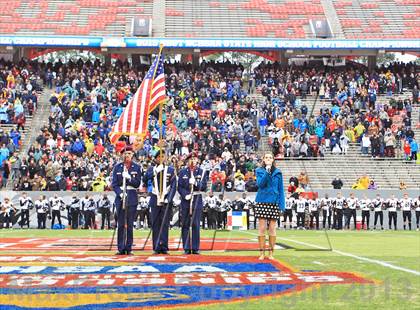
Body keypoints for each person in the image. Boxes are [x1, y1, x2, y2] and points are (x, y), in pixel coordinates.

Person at [111, 145, 142, 255]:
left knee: (129, 224)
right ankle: (120, 248)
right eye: (125, 153)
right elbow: (114, 184)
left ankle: (128, 248)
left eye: (129, 153)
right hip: (120, 198)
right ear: (122, 155)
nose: (127, 155)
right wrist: (120, 194)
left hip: (132, 196)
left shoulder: (136, 167)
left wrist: (129, 177)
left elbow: (137, 183)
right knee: (120, 224)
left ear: (132, 155)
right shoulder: (117, 167)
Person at [255, 153, 285, 260]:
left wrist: (282, 205)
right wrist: (267, 172)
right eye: (266, 157)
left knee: (272, 228)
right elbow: (260, 184)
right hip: (262, 201)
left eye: (270, 157)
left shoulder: (278, 172)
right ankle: (262, 253)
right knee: (262, 228)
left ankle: (271, 253)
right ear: (263, 159)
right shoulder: (259, 171)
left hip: (274, 202)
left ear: (273, 160)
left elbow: (281, 189)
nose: (268, 159)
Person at [145, 151, 177, 255]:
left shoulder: (171, 170)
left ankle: (164, 246)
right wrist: (154, 172)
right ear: (156, 158)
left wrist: (169, 198)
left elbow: (173, 185)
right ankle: (156, 246)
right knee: (155, 224)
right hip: (155, 198)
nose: (161, 158)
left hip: (166, 199)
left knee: (165, 224)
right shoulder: (152, 169)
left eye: (163, 156)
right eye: (159, 157)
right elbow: (144, 179)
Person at [177, 152, 208, 255]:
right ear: (187, 161)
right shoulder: (182, 172)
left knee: (195, 224)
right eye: (191, 159)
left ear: (197, 161)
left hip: (196, 199)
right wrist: (185, 195)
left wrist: (196, 183)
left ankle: (195, 248)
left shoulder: (202, 172)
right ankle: (186, 248)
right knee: (185, 224)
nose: (193, 161)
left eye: (195, 159)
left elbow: (204, 187)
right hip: (186, 200)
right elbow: (179, 187)